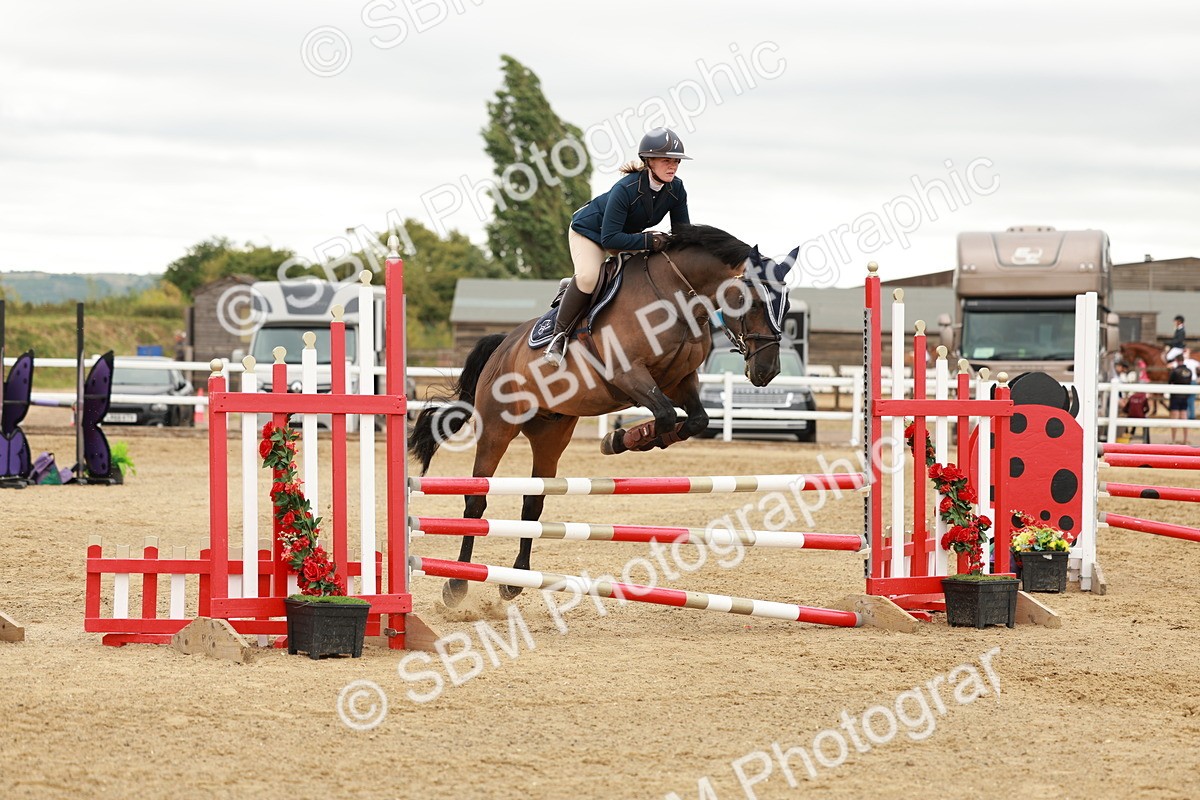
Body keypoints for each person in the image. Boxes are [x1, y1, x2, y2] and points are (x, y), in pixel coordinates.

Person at [544, 127, 692, 364]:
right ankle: (558, 337)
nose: (672, 166)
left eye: (676, 161)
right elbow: (610, 240)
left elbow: (683, 233)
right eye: (666, 160)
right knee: (589, 277)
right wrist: (649, 241)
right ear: (649, 161)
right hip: (591, 232)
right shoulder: (626, 189)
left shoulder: (676, 189)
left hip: (624, 235)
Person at [1167, 352, 1193, 444]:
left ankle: (1173, 439)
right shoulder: (1189, 371)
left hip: (1175, 396)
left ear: (1176, 361)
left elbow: (1169, 382)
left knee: (1174, 417)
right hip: (1185, 396)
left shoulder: (1174, 371)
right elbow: (1189, 382)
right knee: (1184, 416)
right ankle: (1185, 439)